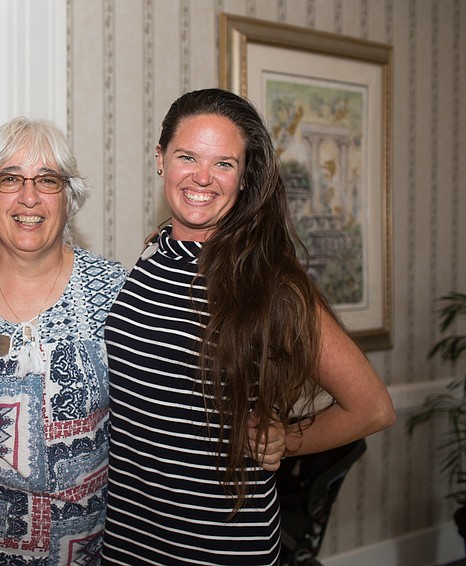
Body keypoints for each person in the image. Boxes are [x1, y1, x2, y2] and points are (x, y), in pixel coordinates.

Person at [101, 88, 396, 565]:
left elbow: (373, 408)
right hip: (128, 540)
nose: (202, 177)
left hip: (220, 547)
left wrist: (283, 438)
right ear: (160, 160)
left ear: (244, 176)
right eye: (187, 156)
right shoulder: (152, 254)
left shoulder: (268, 284)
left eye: (224, 164)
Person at [0, 117, 127, 565]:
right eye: (10, 179)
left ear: (69, 197)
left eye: (47, 180)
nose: (29, 197)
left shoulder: (114, 291)